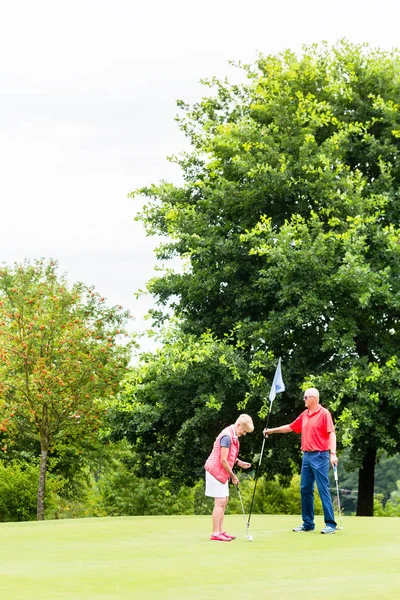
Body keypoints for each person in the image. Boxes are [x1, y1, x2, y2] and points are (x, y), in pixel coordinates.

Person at [264, 387, 338, 534]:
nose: (303, 400)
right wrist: (271, 430)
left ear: (314, 399)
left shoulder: (324, 414)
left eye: (305, 397)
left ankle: (330, 524)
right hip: (307, 456)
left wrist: (333, 453)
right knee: (305, 489)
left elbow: (332, 434)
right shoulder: (305, 414)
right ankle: (308, 523)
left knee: (322, 489)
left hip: (320, 455)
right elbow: (290, 427)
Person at [204, 414, 254, 541]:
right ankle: (215, 534)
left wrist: (239, 462)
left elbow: (229, 455)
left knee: (224, 502)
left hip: (222, 472)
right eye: (244, 431)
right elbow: (223, 460)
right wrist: (233, 476)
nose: (244, 433)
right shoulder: (227, 436)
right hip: (215, 471)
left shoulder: (233, 435)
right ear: (238, 426)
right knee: (220, 502)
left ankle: (220, 531)